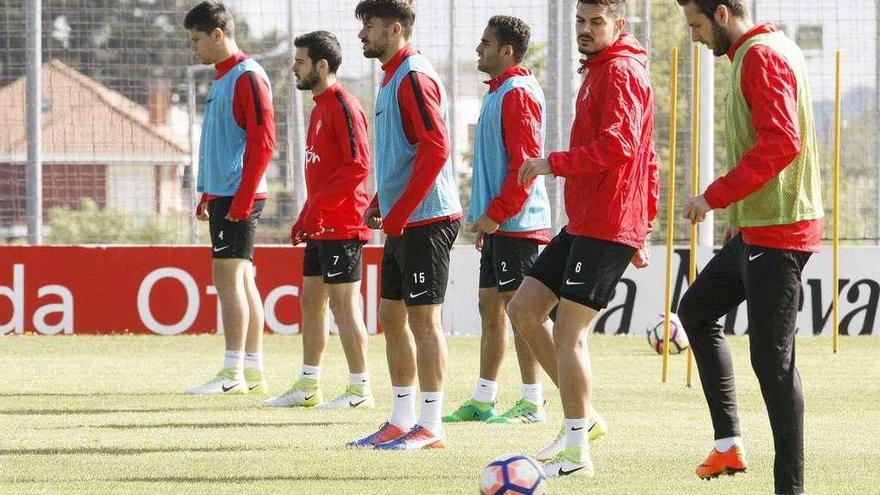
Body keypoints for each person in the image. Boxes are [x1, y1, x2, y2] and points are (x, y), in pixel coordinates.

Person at [676, 2, 823, 494]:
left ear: (721, 13)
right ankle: (728, 444)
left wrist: (714, 198)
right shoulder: (758, 50)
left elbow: (782, 142)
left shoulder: (760, 55)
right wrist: (738, 217)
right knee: (696, 310)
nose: (693, 37)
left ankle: (790, 489)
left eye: (696, 25)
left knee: (773, 366)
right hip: (756, 229)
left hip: (780, 233)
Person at [509, 0, 658, 477]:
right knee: (524, 310)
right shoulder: (598, 69)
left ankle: (577, 454)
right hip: (585, 221)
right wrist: (645, 224)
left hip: (607, 224)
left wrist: (553, 163)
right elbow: (648, 155)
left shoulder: (620, 71)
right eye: (580, 21)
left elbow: (622, 146)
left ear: (619, 25)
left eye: (596, 22)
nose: (585, 29)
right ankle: (584, 419)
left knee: (569, 332)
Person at [346, 0, 462, 451]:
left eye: (370, 26)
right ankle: (400, 419)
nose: (362, 34)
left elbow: (436, 148)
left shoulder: (413, 76)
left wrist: (401, 210)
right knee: (391, 316)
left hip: (427, 219)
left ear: (394, 29)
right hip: (403, 219)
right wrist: (382, 200)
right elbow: (404, 154)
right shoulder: (391, 76)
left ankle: (431, 425)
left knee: (424, 321)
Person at [442, 15, 552, 426]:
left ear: (507, 51)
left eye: (485, 43)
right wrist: (488, 219)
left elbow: (524, 168)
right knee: (489, 306)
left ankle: (532, 402)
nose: (478, 48)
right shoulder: (498, 91)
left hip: (518, 224)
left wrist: (497, 214)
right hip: (500, 224)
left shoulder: (518, 93)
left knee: (522, 313)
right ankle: (483, 399)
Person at [262, 31, 374, 410]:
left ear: (321, 66)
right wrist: (307, 213)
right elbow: (324, 172)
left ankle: (360, 389)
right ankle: (308, 385)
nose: (294, 68)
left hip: (343, 225)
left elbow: (358, 166)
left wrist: (318, 208)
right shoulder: (319, 107)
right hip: (321, 224)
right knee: (311, 301)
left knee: (344, 307)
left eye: (300, 61)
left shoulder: (344, 105)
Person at [183, 1, 275, 395]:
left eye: (197, 39)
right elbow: (222, 142)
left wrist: (241, 197)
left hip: (240, 194)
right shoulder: (223, 78)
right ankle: (252, 370)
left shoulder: (248, 76)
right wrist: (208, 191)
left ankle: (231, 372)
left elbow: (263, 141)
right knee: (242, 279)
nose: (193, 47)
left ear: (218, 34)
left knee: (227, 279)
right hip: (225, 193)